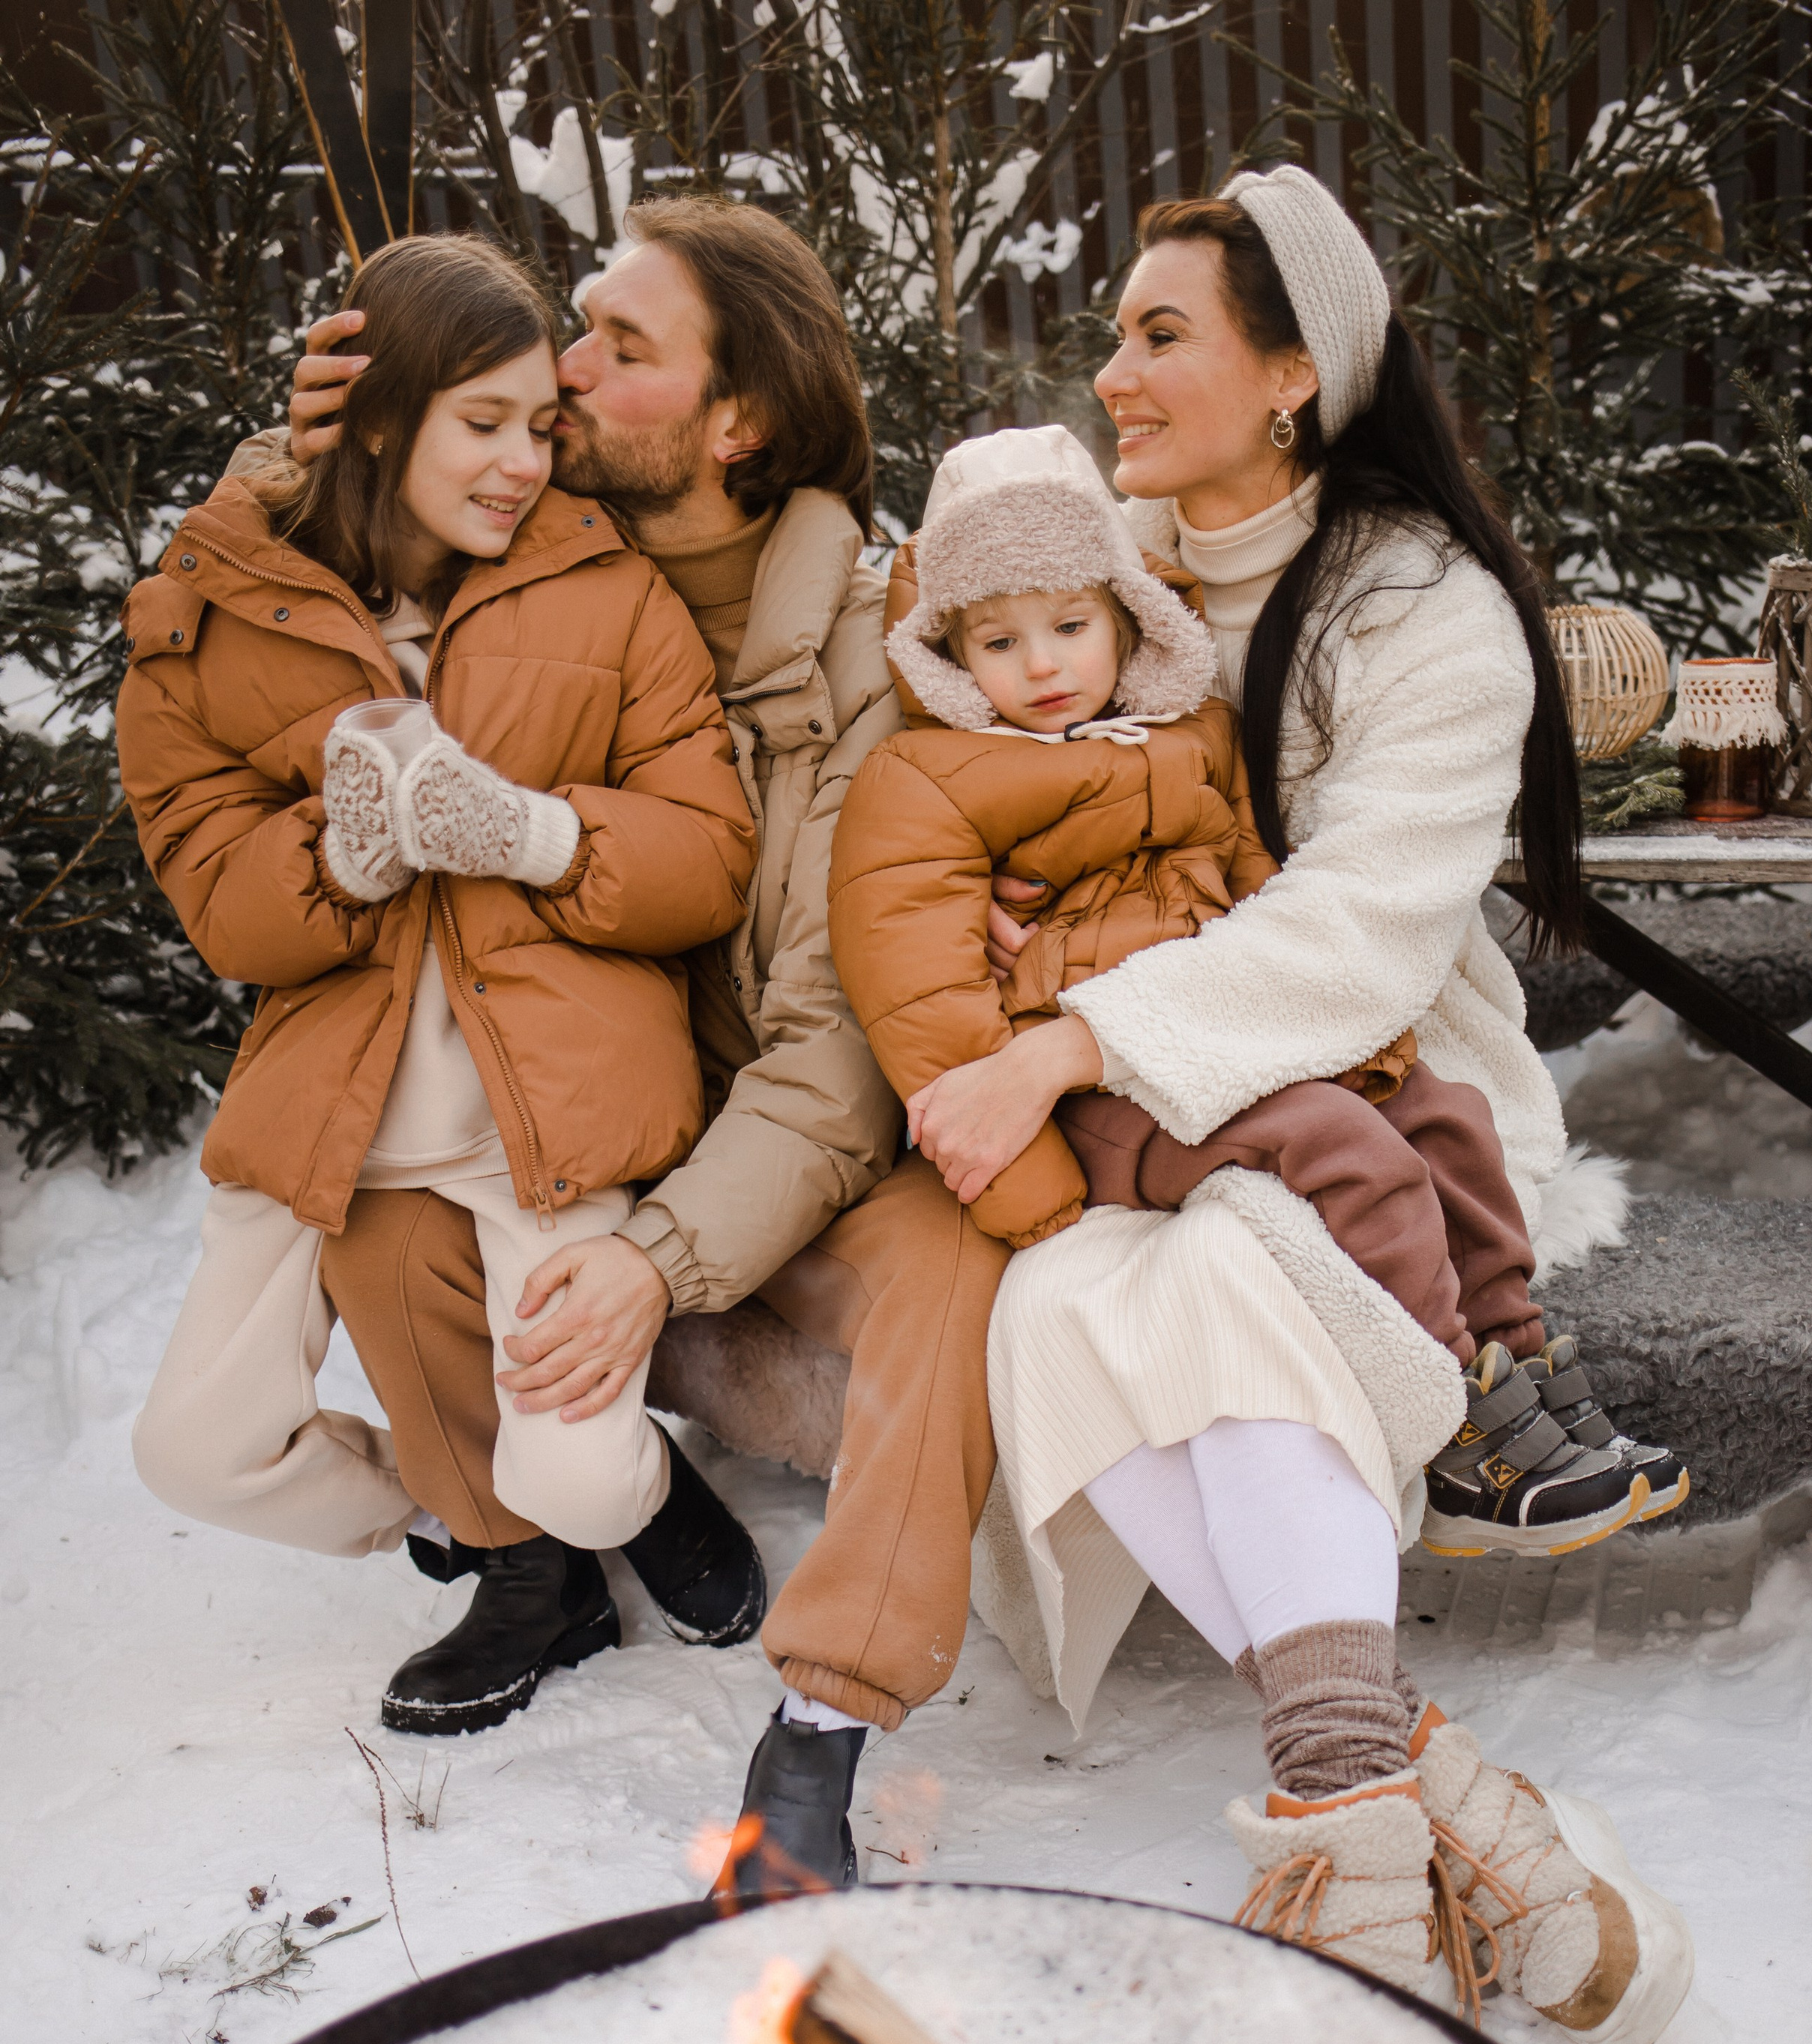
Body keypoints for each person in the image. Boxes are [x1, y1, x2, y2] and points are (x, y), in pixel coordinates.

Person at [902, 172, 1693, 2044]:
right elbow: (931, 679)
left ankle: (1356, 1813)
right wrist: (992, 879)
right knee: (1049, 1300)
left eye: (1158, 335)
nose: (1111, 373)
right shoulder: (1107, 575)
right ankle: (1411, 1804)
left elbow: (1356, 935)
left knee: (1224, 1273)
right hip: (1138, 1087)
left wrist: (1068, 1037)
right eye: (1114, 336)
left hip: (1383, 1097)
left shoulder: (1422, 611)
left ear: (1290, 377)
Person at [282, 200, 1006, 1879]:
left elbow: (838, 1043)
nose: (564, 364)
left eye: (619, 343)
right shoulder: (511, 563)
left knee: (950, 1268)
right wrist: (317, 443)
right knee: (380, 1210)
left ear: (733, 421)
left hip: (789, 1145)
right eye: (574, 327)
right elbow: (279, 594)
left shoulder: (868, 660)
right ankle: (527, 1560)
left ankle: (831, 1708)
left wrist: (660, 1259)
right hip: (581, 1120)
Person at [120, 234, 763, 1733]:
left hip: (541, 1118)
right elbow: (216, 896)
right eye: (482, 422)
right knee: (194, 1453)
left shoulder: (604, 592)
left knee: (585, 1474)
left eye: (541, 425)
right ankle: (482, 1526)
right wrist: (339, 860)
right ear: (376, 418)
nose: (523, 463)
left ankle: (617, 1500)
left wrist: (530, 834)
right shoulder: (210, 619)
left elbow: (707, 857)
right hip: (326, 1121)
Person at [833, 421, 1640, 1572]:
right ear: (953, 653)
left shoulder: (1195, 731)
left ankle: (1516, 1355)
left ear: (1125, 617)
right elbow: (913, 985)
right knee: (1343, 1150)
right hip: (1093, 1097)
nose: (1044, 666)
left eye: (1071, 627)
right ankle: (1447, 1410)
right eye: (1000, 642)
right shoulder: (926, 776)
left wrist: (1345, 1038)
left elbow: (1260, 875)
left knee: (1443, 1110)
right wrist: (1028, 1187)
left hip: (1207, 1040)